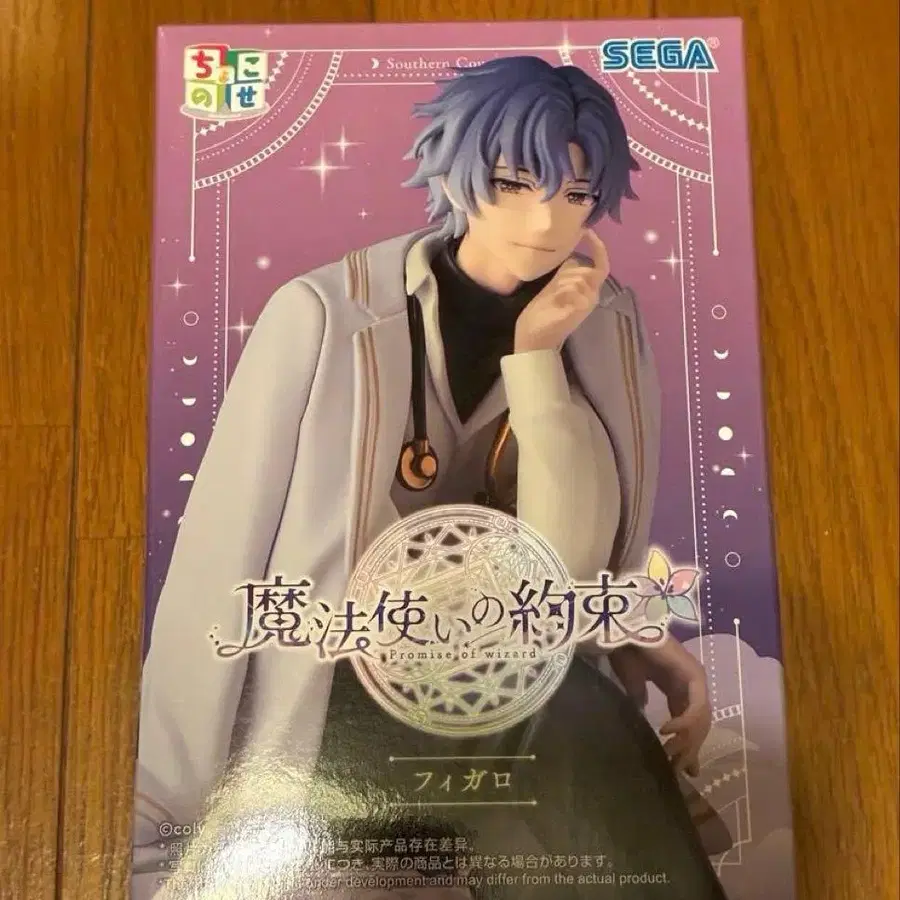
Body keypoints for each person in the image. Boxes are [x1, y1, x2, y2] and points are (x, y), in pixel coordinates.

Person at [133, 57, 727, 899]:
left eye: (577, 195)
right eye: (513, 183)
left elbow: (567, 566)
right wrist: (161, 816)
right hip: (343, 698)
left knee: (566, 730)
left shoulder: (605, 326)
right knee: (559, 740)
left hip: (513, 676)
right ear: (455, 172)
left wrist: (536, 358)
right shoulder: (324, 315)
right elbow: (218, 565)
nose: (545, 220)